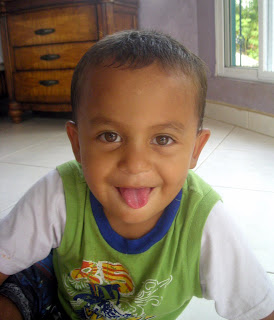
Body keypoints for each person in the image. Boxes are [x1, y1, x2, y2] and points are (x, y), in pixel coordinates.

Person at [0, 30, 273, 320]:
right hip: (56, 298)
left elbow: (259, 308)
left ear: (195, 149)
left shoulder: (204, 221)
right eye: (110, 136)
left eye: (163, 139)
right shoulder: (58, 194)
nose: (135, 164)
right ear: (77, 144)